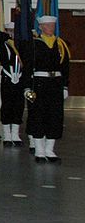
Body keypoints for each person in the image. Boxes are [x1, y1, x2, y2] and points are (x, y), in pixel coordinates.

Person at [26, 15, 70, 163]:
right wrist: (26, 88)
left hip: (55, 83)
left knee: (54, 116)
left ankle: (50, 150)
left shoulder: (60, 44)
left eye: (52, 25)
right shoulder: (33, 44)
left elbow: (65, 67)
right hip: (39, 83)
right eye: (48, 25)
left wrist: (64, 86)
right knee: (38, 115)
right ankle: (39, 150)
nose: (51, 28)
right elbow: (27, 68)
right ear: (41, 27)